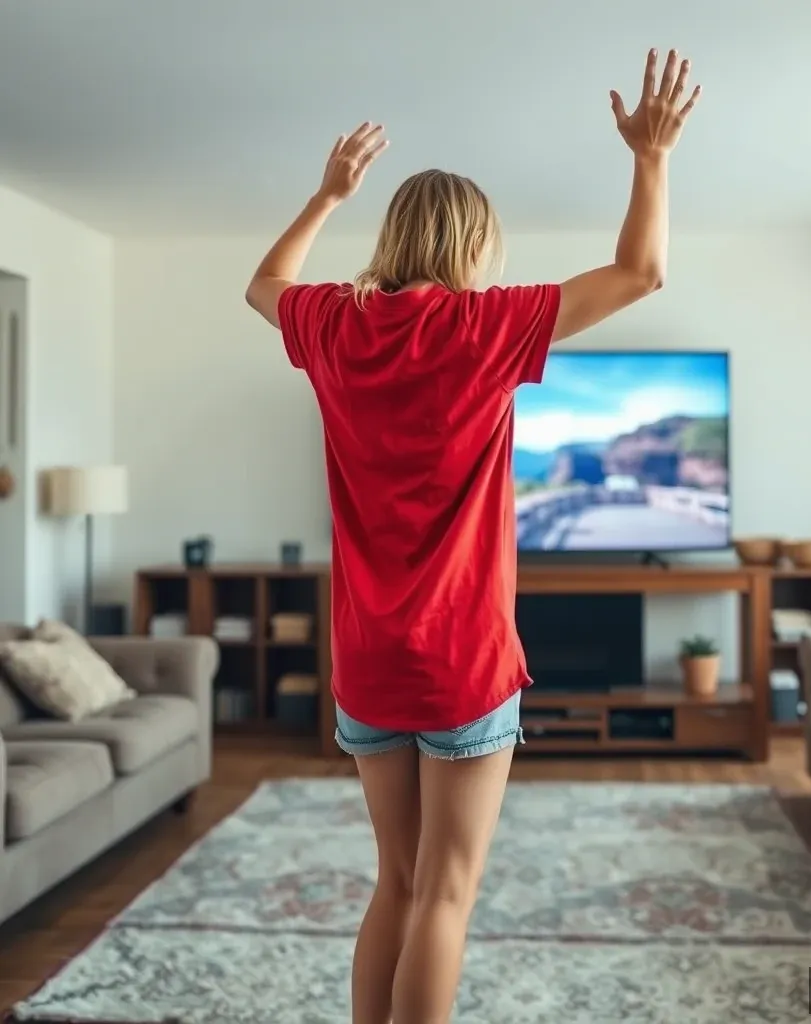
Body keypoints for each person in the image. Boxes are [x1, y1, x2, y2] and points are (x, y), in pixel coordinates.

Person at [245, 47, 700, 1024]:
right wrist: (650, 156)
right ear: (475, 247)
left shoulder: (332, 323)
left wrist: (327, 195)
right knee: (446, 894)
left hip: (365, 660)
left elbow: (262, 284)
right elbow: (641, 272)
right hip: (461, 661)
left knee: (395, 884)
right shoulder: (487, 326)